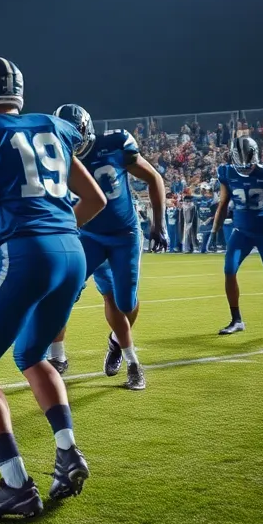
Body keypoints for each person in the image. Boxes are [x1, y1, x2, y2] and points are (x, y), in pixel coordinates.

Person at [0, 58, 106, 519]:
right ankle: (68, 451)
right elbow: (95, 199)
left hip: (27, 253)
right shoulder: (54, 125)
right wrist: (56, 234)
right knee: (32, 355)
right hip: (72, 251)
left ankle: (15, 486)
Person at [46, 105, 166, 391]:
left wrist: (157, 224)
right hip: (87, 236)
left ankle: (116, 342)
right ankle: (58, 358)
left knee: (124, 303)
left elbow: (153, 178)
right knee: (60, 293)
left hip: (124, 234)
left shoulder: (115, 143)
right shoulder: (55, 157)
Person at [210, 136, 263, 338]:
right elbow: (223, 205)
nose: (244, 167)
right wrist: (215, 230)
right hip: (241, 233)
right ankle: (236, 320)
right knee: (229, 270)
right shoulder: (228, 172)